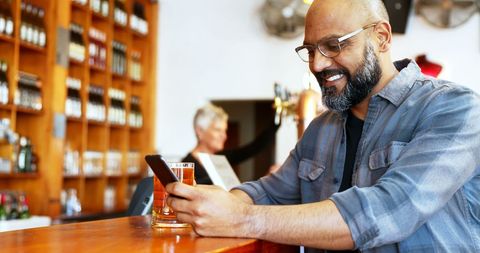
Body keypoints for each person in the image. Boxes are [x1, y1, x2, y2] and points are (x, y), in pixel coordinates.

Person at [165, 0, 480, 252]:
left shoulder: (454, 108)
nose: (317, 64)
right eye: (311, 50)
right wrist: (213, 205)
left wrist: (242, 218)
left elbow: (389, 209)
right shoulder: (321, 129)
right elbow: (268, 193)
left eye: (334, 45)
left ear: (382, 37)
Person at [182, 103, 280, 184]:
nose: (224, 136)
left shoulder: (220, 158)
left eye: (224, 131)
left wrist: (278, 117)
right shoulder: (186, 166)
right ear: (200, 131)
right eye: (218, 130)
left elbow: (255, 147)